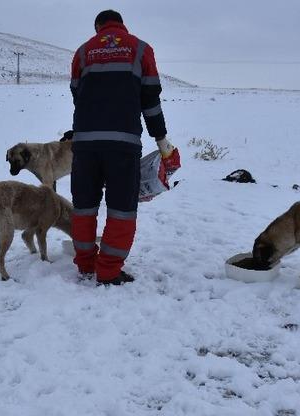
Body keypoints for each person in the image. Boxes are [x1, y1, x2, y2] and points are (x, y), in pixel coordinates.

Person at [69, 9, 176, 285]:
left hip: (84, 145)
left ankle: (85, 265)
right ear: (121, 26)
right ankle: (108, 271)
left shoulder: (83, 52)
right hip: (123, 145)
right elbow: (150, 101)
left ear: (98, 27)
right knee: (121, 209)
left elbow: (77, 96)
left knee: (83, 206)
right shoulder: (141, 50)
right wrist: (162, 141)